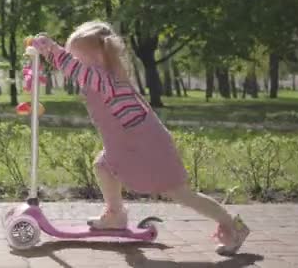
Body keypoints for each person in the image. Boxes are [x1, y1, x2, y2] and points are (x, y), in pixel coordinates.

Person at [28, 21, 249, 256]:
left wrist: (52, 47)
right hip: (129, 145)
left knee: (181, 194)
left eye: (78, 57)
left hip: (148, 147)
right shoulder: (99, 79)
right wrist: (48, 51)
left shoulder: (106, 81)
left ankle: (234, 225)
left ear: (98, 57)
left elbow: (73, 68)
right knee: (102, 166)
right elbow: (72, 69)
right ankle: (115, 216)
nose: (74, 63)